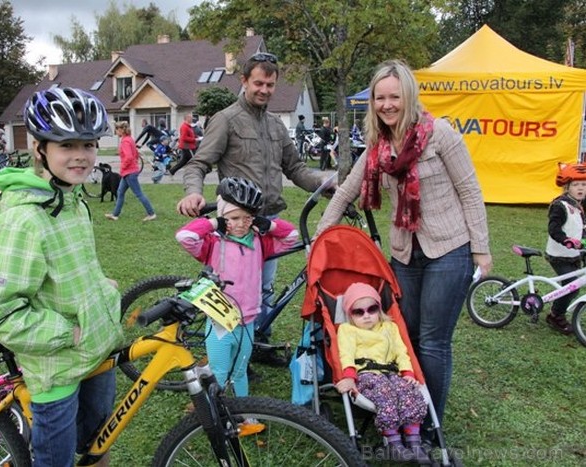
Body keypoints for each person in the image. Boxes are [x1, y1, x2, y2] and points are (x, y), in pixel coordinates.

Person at [315, 59, 492, 430]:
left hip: (449, 249)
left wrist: (482, 250)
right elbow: (347, 189)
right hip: (404, 254)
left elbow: (471, 192)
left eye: (394, 96)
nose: (387, 104)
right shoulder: (379, 145)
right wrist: (320, 235)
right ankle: (403, 411)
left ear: (409, 96)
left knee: (431, 342)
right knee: (402, 336)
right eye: (380, 98)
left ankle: (430, 425)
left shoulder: (441, 135)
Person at [0, 86, 123, 467]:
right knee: (56, 461)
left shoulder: (72, 200)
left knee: (97, 446)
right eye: (66, 146)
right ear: (39, 148)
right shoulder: (24, 218)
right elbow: (3, 313)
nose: (81, 156)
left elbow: (67, 267)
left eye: (89, 145)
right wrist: (69, 333)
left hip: (94, 349)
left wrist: (100, 286)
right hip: (56, 365)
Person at [177, 52, 330, 367]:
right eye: (258, 82)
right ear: (244, 80)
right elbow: (198, 164)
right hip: (237, 226)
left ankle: (255, 346)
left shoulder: (276, 125)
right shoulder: (226, 119)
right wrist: (192, 193)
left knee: (263, 290)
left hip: (267, 222)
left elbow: (297, 169)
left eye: (270, 84)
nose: (264, 89)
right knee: (235, 293)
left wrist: (327, 185)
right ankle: (228, 356)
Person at [176, 177, 298, 397]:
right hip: (220, 321)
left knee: (240, 372)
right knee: (220, 372)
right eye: (234, 218)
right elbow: (185, 236)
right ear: (224, 217)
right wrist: (215, 223)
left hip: (248, 321)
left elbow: (291, 236)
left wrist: (267, 224)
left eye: (247, 218)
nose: (241, 223)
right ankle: (220, 419)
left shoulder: (260, 242)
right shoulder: (213, 243)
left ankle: (243, 412)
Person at [336, 282, 430, 464]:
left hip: (392, 373)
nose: (367, 316)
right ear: (350, 315)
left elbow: (402, 352)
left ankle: (414, 441)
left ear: (379, 309)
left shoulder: (390, 328)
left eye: (372, 309)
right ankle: (393, 442)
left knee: (408, 392)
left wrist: (408, 373)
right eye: (359, 312)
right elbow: (345, 354)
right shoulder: (347, 330)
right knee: (384, 393)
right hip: (366, 375)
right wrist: (348, 376)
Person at [544, 162, 586, 334]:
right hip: (560, 254)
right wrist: (566, 240)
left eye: (584, 184)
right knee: (571, 286)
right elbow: (554, 228)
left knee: (576, 283)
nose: (580, 188)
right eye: (576, 185)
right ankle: (555, 316)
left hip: (578, 252)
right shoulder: (560, 206)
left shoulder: (582, 203)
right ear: (567, 187)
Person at [105, 121, 156, 222]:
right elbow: (136, 154)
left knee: (138, 193)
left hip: (129, 172)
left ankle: (151, 213)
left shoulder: (125, 141)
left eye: (116, 130)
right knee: (120, 192)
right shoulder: (129, 139)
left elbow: (128, 157)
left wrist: (123, 168)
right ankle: (115, 214)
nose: (116, 132)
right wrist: (133, 164)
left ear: (121, 130)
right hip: (129, 171)